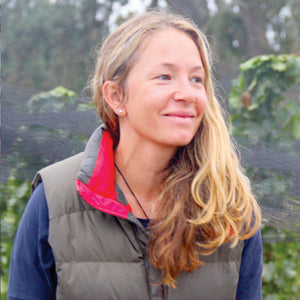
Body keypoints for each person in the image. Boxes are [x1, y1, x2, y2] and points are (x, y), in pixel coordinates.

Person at [8, 10, 262, 300]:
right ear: (116, 96)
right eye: (164, 76)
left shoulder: (231, 208)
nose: (187, 93)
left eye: (196, 79)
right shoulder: (54, 200)